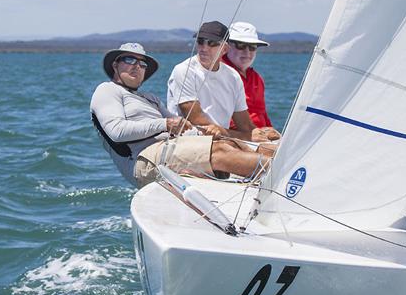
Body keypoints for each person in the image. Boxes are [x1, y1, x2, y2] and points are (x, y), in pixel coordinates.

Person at [90, 43, 273, 188]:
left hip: (169, 149)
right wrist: (164, 124)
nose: (137, 66)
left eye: (142, 64)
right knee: (219, 152)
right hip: (144, 160)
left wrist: (214, 134)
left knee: (227, 144)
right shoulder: (107, 90)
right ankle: (284, 173)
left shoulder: (150, 98)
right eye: (130, 60)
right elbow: (117, 131)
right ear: (115, 65)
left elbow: (182, 125)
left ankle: (282, 164)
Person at [166, 21, 271, 142]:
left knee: (275, 151)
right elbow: (198, 122)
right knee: (261, 158)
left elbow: (245, 125)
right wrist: (245, 137)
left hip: (224, 140)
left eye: (212, 43)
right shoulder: (183, 70)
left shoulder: (233, 76)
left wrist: (264, 135)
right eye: (200, 41)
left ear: (225, 48)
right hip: (190, 142)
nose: (204, 48)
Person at [223, 21, 280, 139]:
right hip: (236, 138)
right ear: (226, 46)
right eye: (240, 45)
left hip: (261, 136)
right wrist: (258, 133)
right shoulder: (219, 73)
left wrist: (271, 131)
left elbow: (262, 113)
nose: (247, 52)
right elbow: (221, 119)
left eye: (252, 47)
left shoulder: (257, 78)